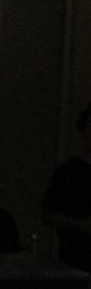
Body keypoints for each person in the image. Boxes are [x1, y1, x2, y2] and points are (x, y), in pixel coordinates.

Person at [41, 103, 91, 273]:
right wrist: (81, 226)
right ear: (84, 130)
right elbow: (48, 214)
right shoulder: (67, 173)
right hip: (74, 262)